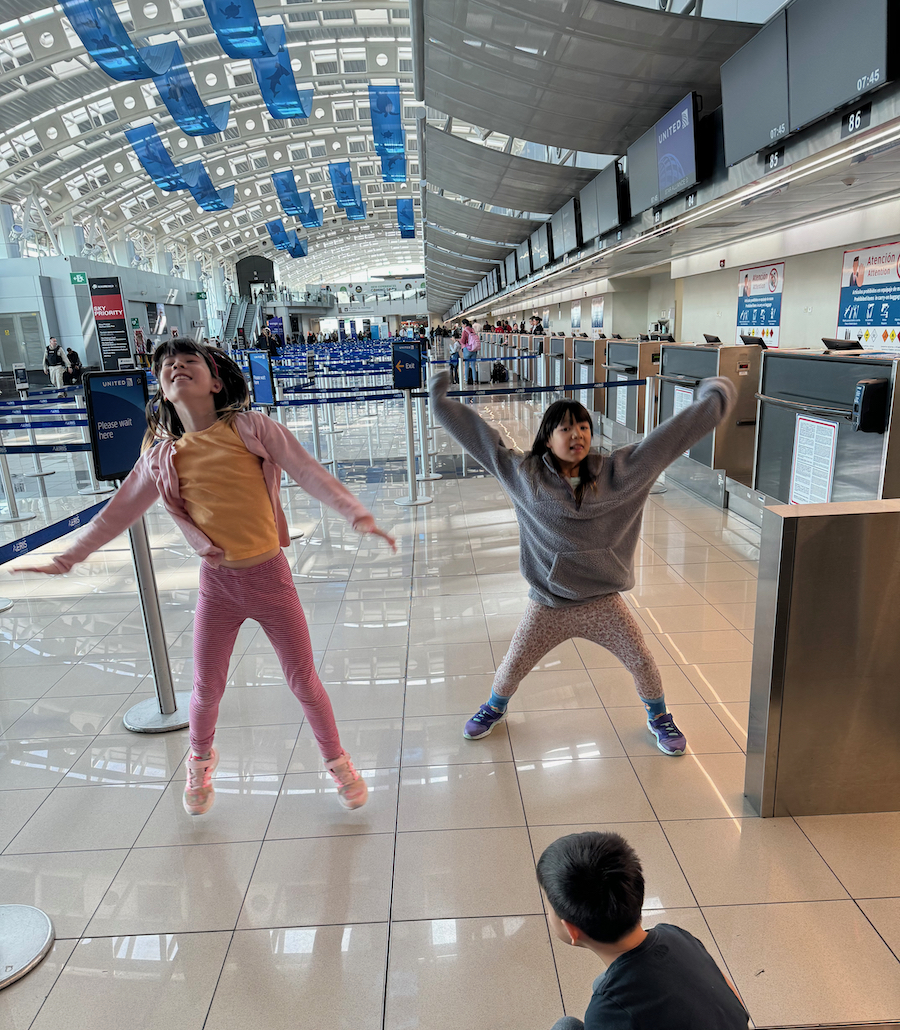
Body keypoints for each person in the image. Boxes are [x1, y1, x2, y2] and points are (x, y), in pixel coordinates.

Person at [15, 338, 396, 815]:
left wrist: (357, 513)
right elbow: (115, 515)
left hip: (271, 579)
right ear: (162, 390)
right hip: (218, 587)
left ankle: (337, 760)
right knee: (206, 688)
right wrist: (66, 559)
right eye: (166, 366)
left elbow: (307, 471)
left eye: (188, 360)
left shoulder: (253, 428)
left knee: (303, 681)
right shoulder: (161, 457)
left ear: (215, 382)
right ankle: (199, 760)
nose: (176, 366)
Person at [429, 371, 736, 754]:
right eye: (565, 428)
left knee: (641, 661)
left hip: (602, 602)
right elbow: (481, 440)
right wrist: (440, 402)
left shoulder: (621, 473)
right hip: (549, 604)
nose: (576, 435)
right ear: (547, 437)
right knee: (512, 665)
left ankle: (658, 716)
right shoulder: (525, 476)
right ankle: (495, 707)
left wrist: (715, 397)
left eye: (583, 427)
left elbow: (668, 440)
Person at [537, 831, 770, 1030]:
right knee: (607, 988)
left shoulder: (608, 1011)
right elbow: (738, 1009)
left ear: (571, 930)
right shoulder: (677, 936)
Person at [459, 319, 480, 386]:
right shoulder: (472, 330)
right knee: (473, 366)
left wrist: (459, 341)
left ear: (465, 324)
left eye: (462, 324)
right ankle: (474, 380)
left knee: (466, 365)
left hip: (467, 349)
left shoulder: (465, 331)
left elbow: (463, 341)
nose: (462, 326)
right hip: (474, 349)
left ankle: (466, 380)